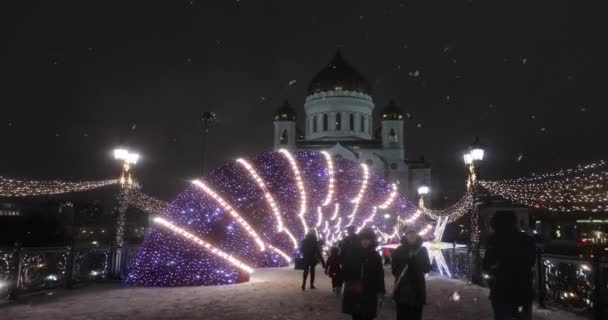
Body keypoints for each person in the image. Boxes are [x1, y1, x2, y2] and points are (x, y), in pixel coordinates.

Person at [483, 211, 536, 320]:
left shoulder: (494, 240)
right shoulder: (526, 239)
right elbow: (531, 261)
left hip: (502, 289)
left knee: (502, 315)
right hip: (523, 288)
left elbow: (487, 263)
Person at [342, 228, 386, 320]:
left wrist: (381, 290)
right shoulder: (352, 253)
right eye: (363, 239)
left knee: (368, 314)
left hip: (370, 290)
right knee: (356, 314)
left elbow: (380, 274)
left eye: (368, 239)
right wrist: (339, 283)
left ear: (371, 240)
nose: (365, 242)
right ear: (359, 240)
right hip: (355, 289)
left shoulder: (375, 255)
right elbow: (345, 269)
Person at [391, 230, 431, 320]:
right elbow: (394, 269)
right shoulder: (399, 250)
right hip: (402, 289)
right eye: (409, 233)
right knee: (402, 315)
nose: (411, 235)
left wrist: (416, 264)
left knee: (416, 315)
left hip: (417, 289)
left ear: (417, 235)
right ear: (406, 235)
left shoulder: (423, 250)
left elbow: (427, 268)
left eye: (413, 233)